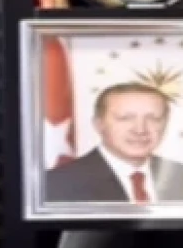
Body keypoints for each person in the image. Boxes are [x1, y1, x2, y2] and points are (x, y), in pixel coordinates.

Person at [45, 82, 183, 203]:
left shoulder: (179, 175)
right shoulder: (55, 185)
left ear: (165, 124)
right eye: (125, 118)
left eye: (154, 118)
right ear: (99, 124)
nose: (140, 130)